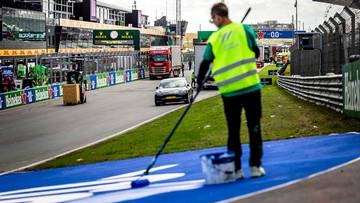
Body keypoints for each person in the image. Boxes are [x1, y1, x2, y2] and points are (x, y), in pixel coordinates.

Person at [197, 3, 265, 179]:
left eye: (213, 18)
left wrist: (198, 84)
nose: (213, 22)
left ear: (218, 17)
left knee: (233, 131)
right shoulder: (244, 29)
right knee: (254, 127)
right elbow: (256, 52)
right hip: (250, 87)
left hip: (230, 93)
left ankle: (236, 169)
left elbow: (205, 63)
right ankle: (255, 167)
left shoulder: (214, 38)